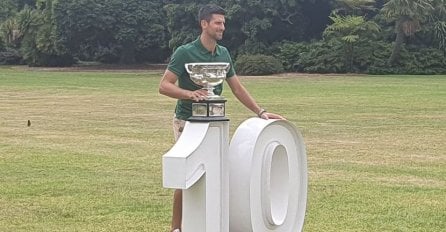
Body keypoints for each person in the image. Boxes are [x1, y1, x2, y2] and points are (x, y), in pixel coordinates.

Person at [158, 4, 285, 232]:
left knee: (217, 175)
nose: (222, 27)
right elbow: (164, 86)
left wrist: (260, 112)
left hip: (216, 124)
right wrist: (190, 94)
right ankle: (176, 228)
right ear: (204, 24)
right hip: (187, 121)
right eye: (218, 22)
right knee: (187, 177)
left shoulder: (223, 53)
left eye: (223, 23)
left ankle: (215, 222)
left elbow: (236, 88)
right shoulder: (185, 52)